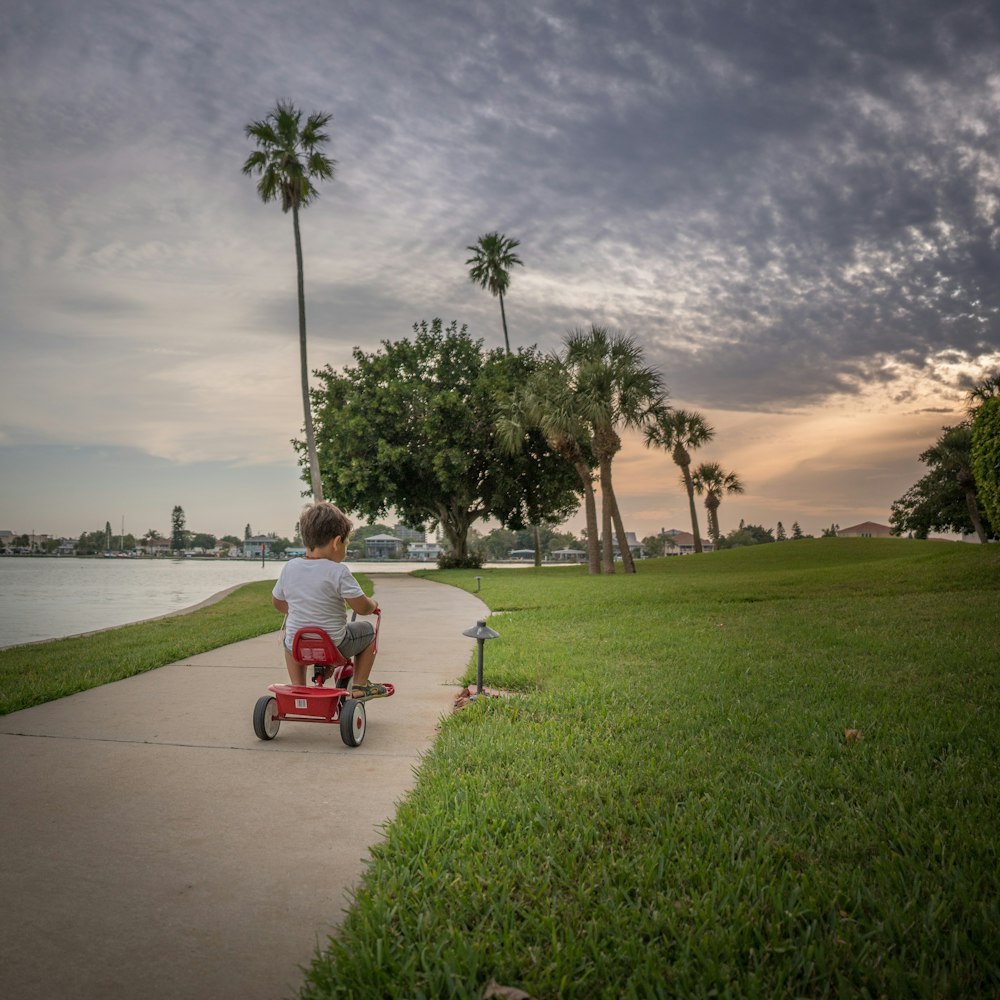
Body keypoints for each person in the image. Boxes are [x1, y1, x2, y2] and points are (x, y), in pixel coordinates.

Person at [271, 501, 388, 698]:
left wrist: (299, 609)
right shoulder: (338, 572)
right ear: (336, 542)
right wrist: (373, 604)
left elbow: (278, 603)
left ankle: (299, 688)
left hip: (299, 645)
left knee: (288, 640)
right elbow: (361, 607)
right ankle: (360, 685)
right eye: (346, 544)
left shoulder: (290, 567)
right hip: (335, 644)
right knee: (368, 632)